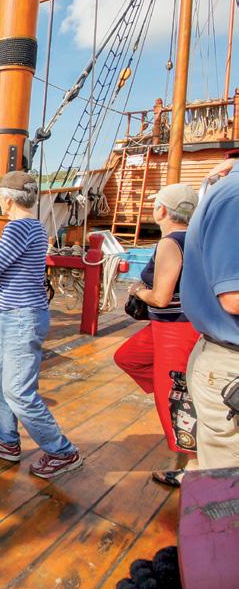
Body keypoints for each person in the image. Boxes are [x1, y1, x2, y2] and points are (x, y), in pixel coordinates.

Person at [0, 171, 82, 478]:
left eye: (0, 199)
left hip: (20, 317)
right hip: (16, 315)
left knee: (18, 390)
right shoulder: (35, 226)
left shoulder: (17, 228)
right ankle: (6, 440)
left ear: (8, 200)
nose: (0, 204)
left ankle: (62, 451)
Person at [113, 183, 200, 486]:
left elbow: (161, 298)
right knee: (127, 357)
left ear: (161, 210)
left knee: (173, 398)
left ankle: (193, 466)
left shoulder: (169, 243)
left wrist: (138, 290)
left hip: (174, 329)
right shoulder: (195, 239)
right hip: (173, 326)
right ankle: (189, 417)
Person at [180, 157, 239, 471]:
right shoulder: (235, 198)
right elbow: (233, 298)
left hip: (221, 353)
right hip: (229, 364)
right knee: (226, 482)